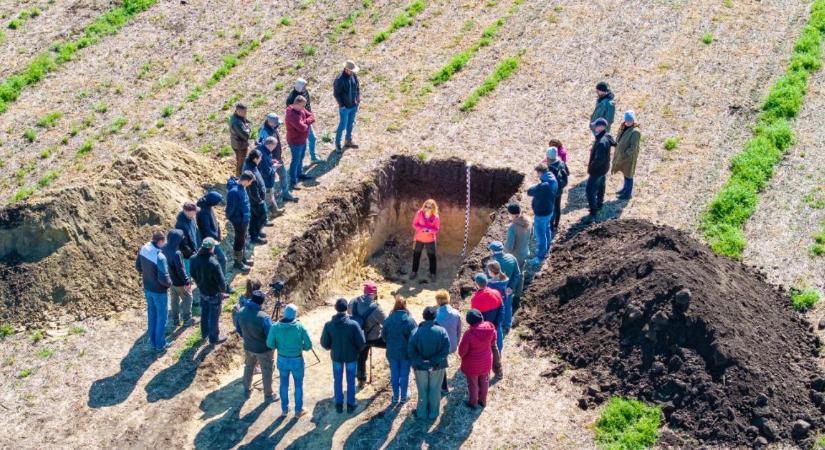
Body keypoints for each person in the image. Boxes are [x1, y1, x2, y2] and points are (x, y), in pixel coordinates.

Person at [267, 303, 313, 418]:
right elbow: (308, 345)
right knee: (298, 385)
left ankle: (284, 410)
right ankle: (298, 411)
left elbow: (269, 344)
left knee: (283, 385)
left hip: (282, 360)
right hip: (297, 360)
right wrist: (300, 347)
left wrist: (280, 346)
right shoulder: (299, 327)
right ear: (295, 315)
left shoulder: (275, 326)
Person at [321, 298, 366, 413]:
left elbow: (324, 343)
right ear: (347, 308)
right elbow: (361, 343)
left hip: (336, 356)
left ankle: (339, 403)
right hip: (351, 356)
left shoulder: (329, 325)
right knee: (351, 380)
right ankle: (351, 403)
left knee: (337, 380)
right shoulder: (354, 324)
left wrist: (332, 347)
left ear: (335, 308)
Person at [408, 306, 451, 420]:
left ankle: (421, 412)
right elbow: (445, 350)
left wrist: (423, 361)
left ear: (423, 316)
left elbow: (411, 351)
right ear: (435, 317)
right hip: (437, 366)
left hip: (420, 367)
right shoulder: (442, 331)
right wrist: (433, 361)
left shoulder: (415, 332)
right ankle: (433, 413)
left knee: (422, 390)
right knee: (435, 389)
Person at [237, 290, 276, 403]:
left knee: (249, 367)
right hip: (263, 350)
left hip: (248, 346)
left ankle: (247, 389)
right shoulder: (264, 317)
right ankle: (268, 395)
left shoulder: (241, 311)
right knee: (267, 370)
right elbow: (270, 336)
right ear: (261, 303)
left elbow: (239, 329)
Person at [135, 231, 172, 351]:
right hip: (159, 292)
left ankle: (152, 341)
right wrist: (169, 284)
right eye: (164, 241)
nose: (165, 243)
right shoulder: (160, 257)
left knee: (152, 314)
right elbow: (164, 278)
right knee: (162, 317)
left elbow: (138, 267)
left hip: (147, 288)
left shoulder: (144, 248)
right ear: (160, 241)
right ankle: (160, 344)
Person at [189, 238, 228, 345]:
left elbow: (192, 273)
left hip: (202, 291)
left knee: (204, 313)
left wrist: (199, 283)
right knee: (214, 316)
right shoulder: (213, 263)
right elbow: (222, 283)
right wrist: (222, 291)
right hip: (214, 294)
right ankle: (214, 338)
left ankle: (204, 333)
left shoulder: (193, 259)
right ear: (211, 248)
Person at [349, 281, 387, 388]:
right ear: (374, 294)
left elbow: (349, 312)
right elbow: (386, 323)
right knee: (391, 344)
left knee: (361, 357)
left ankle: (361, 380)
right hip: (373, 338)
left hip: (359, 337)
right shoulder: (376, 308)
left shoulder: (354, 302)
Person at [381, 296, 417, 404]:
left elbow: (383, 336)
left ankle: (396, 396)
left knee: (394, 374)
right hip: (406, 353)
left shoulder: (388, 320)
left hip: (392, 352)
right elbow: (415, 337)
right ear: (405, 305)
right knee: (405, 375)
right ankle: (404, 397)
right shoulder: (410, 320)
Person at [458, 309, 496, 409]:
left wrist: (462, 356)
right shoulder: (490, 327)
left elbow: (462, 351)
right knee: (485, 381)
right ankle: (483, 401)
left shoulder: (469, 334)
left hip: (472, 364)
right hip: (486, 360)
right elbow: (493, 340)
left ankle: (473, 403)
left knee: (473, 384)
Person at [469, 273, 504, 377]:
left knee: (483, 350)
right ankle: (498, 371)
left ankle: (483, 371)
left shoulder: (475, 299)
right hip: (495, 327)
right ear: (487, 282)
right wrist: (497, 325)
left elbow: (476, 317)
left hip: (483, 330)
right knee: (495, 347)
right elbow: (502, 309)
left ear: (476, 284)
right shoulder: (496, 293)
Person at [195, 191, 231, 293]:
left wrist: (218, 231)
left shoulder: (206, 203)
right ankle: (223, 285)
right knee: (222, 259)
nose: (217, 204)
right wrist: (216, 238)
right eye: (217, 202)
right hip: (209, 240)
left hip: (212, 238)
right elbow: (206, 229)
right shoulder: (203, 211)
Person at [162, 229, 194, 328]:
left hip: (170, 281)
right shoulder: (177, 253)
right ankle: (187, 319)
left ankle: (175, 320)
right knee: (188, 298)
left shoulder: (163, 248)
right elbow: (180, 270)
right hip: (180, 282)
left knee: (174, 300)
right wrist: (187, 282)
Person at [526, 164, 557, 264]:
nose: (537, 176)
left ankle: (540, 257)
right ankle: (546, 249)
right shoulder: (553, 179)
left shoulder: (544, 185)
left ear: (540, 173)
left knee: (540, 236)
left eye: (537, 173)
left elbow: (529, 192)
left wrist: (538, 185)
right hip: (550, 210)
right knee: (547, 229)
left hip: (541, 214)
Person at [287, 78, 322, 164]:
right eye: (304, 87)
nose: (305, 88)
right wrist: (305, 122)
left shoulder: (305, 92)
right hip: (299, 124)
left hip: (307, 120)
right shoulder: (291, 98)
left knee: (313, 138)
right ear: (299, 86)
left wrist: (311, 118)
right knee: (302, 144)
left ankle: (313, 157)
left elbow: (308, 106)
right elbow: (292, 115)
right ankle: (299, 165)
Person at [434, 289, 461, 395]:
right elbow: (459, 332)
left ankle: (443, 387)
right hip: (453, 345)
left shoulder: (436, 315)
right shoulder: (456, 313)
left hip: (441, 347)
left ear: (438, 301)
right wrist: (456, 343)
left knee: (440, 364)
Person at [587, 118, 615, 219]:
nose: (595, 127)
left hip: (597, 171)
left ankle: (593, 211)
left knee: (590, 190)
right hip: (604, 168)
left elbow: (598, 159)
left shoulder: (602, 142)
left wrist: (591, 168)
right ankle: (599, 204)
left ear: (602, 127)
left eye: (596, 125)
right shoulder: (607, 136)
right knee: (601, 187)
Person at [285, 95, 316, 185]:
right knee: (295, 160)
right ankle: (293, 181)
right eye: (302, 106)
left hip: (302, 139)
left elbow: (311, 116)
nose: (304, 108)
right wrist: (307, 122)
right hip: (295, 141)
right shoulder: (291, 114)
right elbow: (302, 128)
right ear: (297, 104)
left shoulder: (300, 109)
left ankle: (300, 174)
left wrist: (305, 121)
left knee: (301, 158)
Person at [225, 172, 253, 272]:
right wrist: (235, 219)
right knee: (239, 240)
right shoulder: (234, 192)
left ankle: (243, 258)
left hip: (244, 220)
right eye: (250, 182)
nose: (250, 184)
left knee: (243, 239)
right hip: (239, 221)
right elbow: (230, 209)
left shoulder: (241, 187)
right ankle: (238, 263)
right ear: (245, 180)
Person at [611, 110, 642, 200]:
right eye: (627, 120)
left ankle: (627, 194)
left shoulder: (635, 132)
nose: (628, 122)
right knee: (625, 173)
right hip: (622, 156)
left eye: (630, 120)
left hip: (628, 158)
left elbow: (633, 147)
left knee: (629, 175)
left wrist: (625, 155)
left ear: (633, 120)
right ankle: (624, 189)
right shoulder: (623, 126)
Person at [242, 149, 269, 245]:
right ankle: (255, 236)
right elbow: (252, 189)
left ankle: (254, 233)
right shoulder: (249, 170)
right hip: (256, 201)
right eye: (260, 158)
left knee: (254, 218)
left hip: (256, 199)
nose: (261, 159)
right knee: (263, 216)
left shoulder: (252, 165)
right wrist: (259, 200)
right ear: (254, 159)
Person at [333, 60, 361, 152]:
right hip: (345, 108)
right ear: (346, 69)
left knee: (351, 124)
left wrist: (358, 97)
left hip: (353, 105)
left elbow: (357, 87)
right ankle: (337, 143)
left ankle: (348, 140)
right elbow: (336, 94)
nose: (352, 72)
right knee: (342, 126)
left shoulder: (353, 76)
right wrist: (342, 105)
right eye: (351, 70)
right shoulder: (339, 79)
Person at [410, 199, 440, 281]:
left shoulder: (436, 217)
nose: (427, 208)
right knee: (416, 255)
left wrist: (429, 230)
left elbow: (436, 229)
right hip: (418, 238)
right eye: (426, 206)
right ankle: (414, 271)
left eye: (429, 207)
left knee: (432, 257)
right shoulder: (419, 213)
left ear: (433, 208)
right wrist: (422, 229)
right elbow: (414, 224)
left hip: (430, 239)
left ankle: (432, 273)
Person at [545, 147, 569, 233]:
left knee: (551, 209)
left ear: (548, 158)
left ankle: (551, 227)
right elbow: (568, 173)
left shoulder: (549, 169)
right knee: (558, 207)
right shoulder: (562, 163)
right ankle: (556, 225)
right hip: (560, 190)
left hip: (551, 192)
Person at [174, 202, 200, 274]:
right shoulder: (180, 225)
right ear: (187, 212)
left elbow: (194, 232)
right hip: (187, 255)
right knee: (187, 272)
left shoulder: (191, 218)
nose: (195, 213)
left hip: (193, 249)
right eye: (194, 212)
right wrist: (191, 253)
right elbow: (183, 245)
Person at [503, 203, 531, 268]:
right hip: (526, 253)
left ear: (511, 214)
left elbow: (509, 247)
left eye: (508, 213)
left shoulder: (512, 228)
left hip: (515, 258)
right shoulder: (528, 221)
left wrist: (501, 252)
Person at [229, 103, 252, 177]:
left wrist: (247, 126)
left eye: (246, 112)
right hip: (240, 146)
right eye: (244, 112)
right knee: (241, 163)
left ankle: (240, 178)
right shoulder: (236, 122)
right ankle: (239, 179)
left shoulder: (236, 117)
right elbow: (246, 136)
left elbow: (246, 122)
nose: (245, 114)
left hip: (238, 143)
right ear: (238, 111)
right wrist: (248, 129)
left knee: (241, 162)